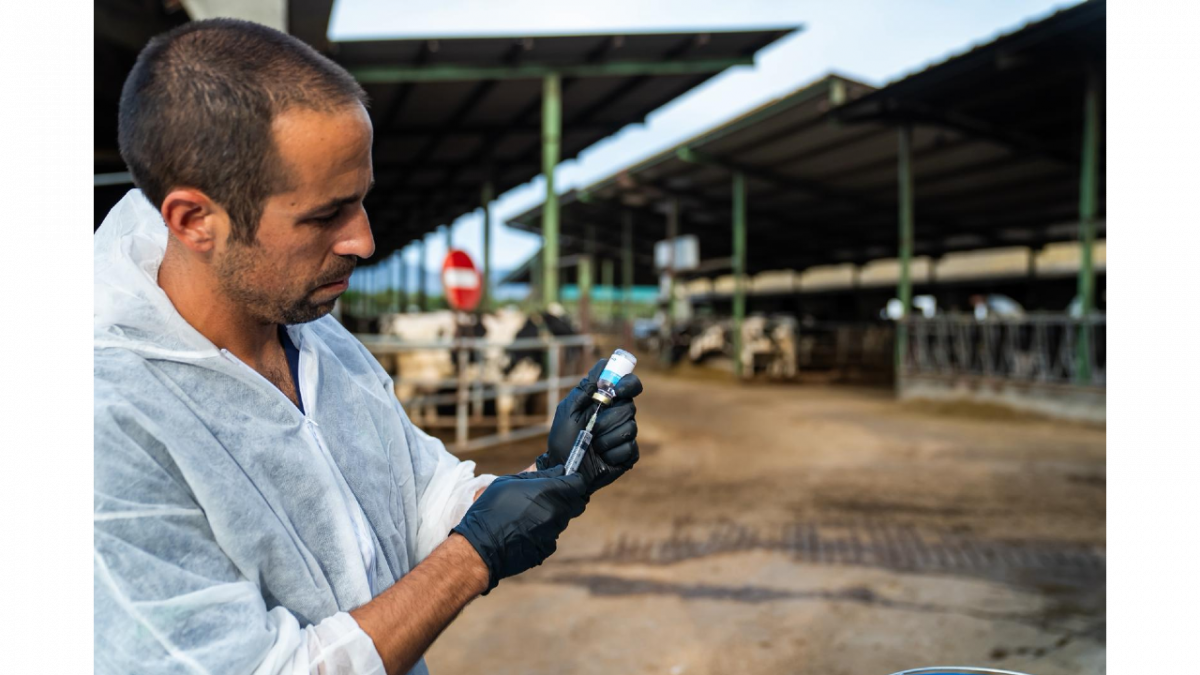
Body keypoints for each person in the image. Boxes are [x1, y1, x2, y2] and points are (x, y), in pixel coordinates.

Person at [93, 18, 641, 675]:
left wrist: (551, 474)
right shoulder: (114, 417)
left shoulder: (316, 334)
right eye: (325, 215)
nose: (363, 240)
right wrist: (474, 554)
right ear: (195, 220)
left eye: (360, 201)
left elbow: (418, 500)